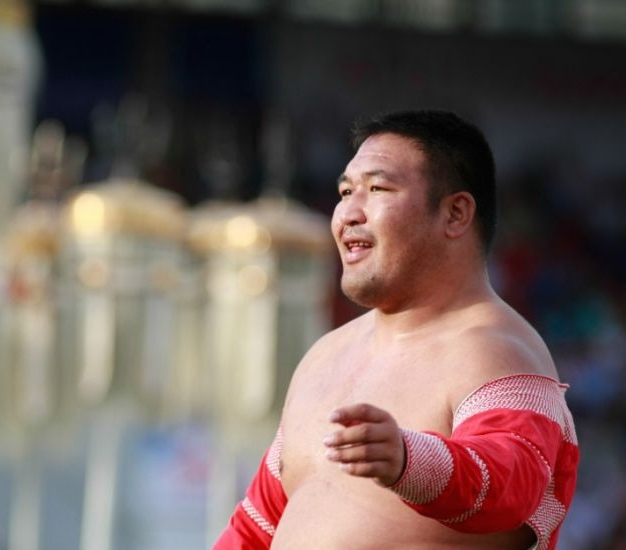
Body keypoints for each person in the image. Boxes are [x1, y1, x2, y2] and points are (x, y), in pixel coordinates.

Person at [214, 110, 579, 549]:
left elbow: (512, 483)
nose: (348, 213)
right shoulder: (324, 357)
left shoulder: (496, 349)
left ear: (456, 213)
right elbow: (257, 525)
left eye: (377, 189)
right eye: (345, 191)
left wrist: (411, 461)